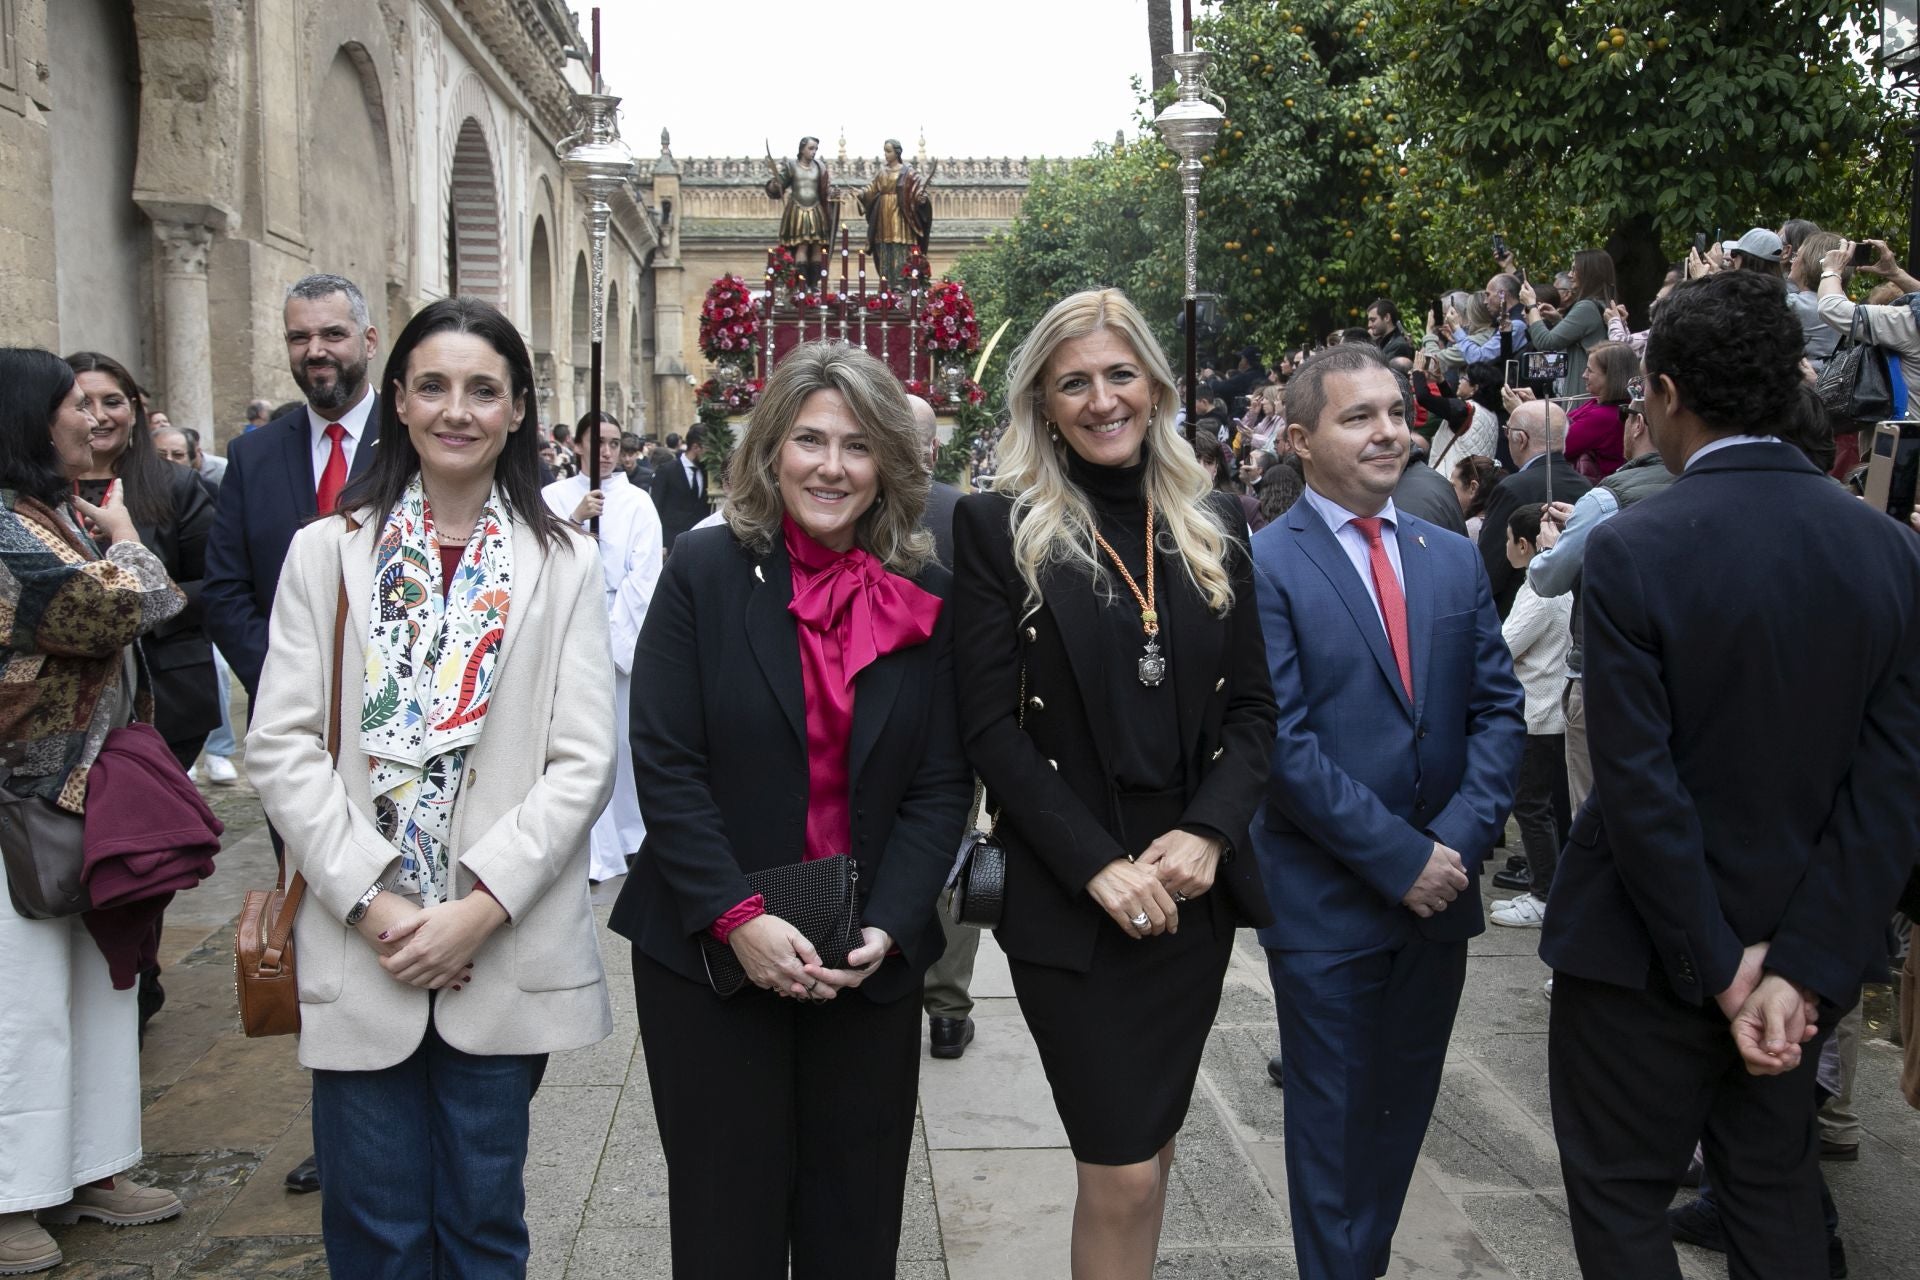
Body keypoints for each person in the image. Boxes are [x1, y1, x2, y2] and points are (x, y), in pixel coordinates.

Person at [1540, 270, 1920, 1278]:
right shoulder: (1888, 554)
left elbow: (1638, 782)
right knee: (1776, 1194)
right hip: (1804, 952)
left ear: (1665, 394)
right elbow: (1891, 786)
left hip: (1640, 956)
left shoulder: (1634, 551)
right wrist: (1800, 966)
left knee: (1621, 1196)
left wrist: (1718, 966)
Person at [244, 297, 615, 1277]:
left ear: (517, 409)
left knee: (484, 1223)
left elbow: (582, 758)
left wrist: (474, 909)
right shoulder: (328, 554)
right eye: (435, 385)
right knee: (377, 1232)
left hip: (498, 939)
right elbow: (281, 743)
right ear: (399, 400)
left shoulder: (563, 562)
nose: (458, 408)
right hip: (361, 935)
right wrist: (379, 904)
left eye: (483, 389)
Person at [609, 340, 969, 1275]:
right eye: (809, 439)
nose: (832, 466)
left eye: (856, 446)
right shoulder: (704, 572)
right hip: (714, 960)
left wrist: (891, 925)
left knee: (855, 1231)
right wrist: (739, 920)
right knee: (727, 1230)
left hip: (864, 965)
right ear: (771, 449)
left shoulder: (926, 588)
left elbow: (940, 783)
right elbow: (667, 761)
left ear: (888, 461)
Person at [952, 289, 1278, 1280]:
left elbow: (1254, 714)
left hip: (1189, 890)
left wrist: (1211, 834)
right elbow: (988, 730)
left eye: (1119, 374)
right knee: (1124, 1169)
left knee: (1155, 1147)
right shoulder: (995, 525)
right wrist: (1097, 864)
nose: (1102, 399)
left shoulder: (1216, 518)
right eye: (1074, 382)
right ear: (1043, 403)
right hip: (1071, 895)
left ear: (1156, 384)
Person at [1249, 342, 1523, 1280]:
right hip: (1326, 905)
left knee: (1401, 1117)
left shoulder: (1448, 558)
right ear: (1297, 440)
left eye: (1396, 413)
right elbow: (1281, 744)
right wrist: (1399, 857)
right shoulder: (1266, 567)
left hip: (1438, 903)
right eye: (1357, 416)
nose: (1388, 431)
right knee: (1330, 1133)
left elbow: (1498, 710)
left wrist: (1451, 845)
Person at [0, 349, 188, 1276]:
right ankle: (10, 1197)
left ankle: (88, 1167)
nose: (94, 417)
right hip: (25, 802)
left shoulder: (57, 513)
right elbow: (129, 604)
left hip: (85, 793)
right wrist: (127, 542)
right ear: (32, 423)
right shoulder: (7, 528)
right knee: (22, 1004)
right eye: (73, 405)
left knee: (99, 984)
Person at [202, 271, 383, 1196]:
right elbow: (226, 585)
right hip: (296, 745)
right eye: (299, 337)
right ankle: (340, 1122)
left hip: (398, 739)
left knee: (395, 908)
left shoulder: (415, 432)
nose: (316, 352)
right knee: (316, 919)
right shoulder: (258, 454)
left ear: (369, 337)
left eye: (332, 335)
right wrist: (289, 688)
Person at [65, 352, 220, 774]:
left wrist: (135, 608)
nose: (99, 416)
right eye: (83, 403)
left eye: (113, 402)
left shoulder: (178, 485)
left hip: (166, 689)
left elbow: (216, 584)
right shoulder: (37, 490)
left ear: (135, 410)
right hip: (64, 701)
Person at [1526, 395, 1673, 817]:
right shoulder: (1701, 484)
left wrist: (1551, 546)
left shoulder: (1607, 499)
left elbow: (1547, 578)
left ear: (1639, 424)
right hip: (1677, 673)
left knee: (1592, 816)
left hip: (1604, 675)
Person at [541, 411, 662, 883]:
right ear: (578, 445)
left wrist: (612, 638)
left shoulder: (638, 503)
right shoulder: (554, 497)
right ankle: (587, 845)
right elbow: (540, 557)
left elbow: (644, 575)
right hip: (568, 622)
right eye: (599, 442)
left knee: (619, 742)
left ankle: (629, 834)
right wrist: (574, 522)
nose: (607, 452)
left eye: (614, 443)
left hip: (615, 633)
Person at [1490, 505, 1571, 929]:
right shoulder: (1559, 580)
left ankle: (1544, 894)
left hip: (1538, 712)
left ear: (1525, 545)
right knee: (1542, 806)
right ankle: (1545, 887)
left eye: (1508, 540)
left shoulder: (1542, 588)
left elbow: (1504, 644)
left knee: (1532, 807)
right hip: (1549, 709)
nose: (1505, 548)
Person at [1479, 397, 1590, 617]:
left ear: (1520, 439)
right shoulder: (1585, 486)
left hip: (1519, 614)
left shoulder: (1513, 489)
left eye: (1507, 431)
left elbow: (1488, 568)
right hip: (1572, 615)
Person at [1519, 249, 1617, 392]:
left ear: (1588, 273)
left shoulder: (1587, 307)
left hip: (1582, 396)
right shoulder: (1601, 303)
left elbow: (1546, 343)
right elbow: (1581, 341)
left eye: (1574, 269)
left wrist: (1531, 306)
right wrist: (1559, 321)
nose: (1570, 275)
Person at [858, 138, 931, 284]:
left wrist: (921, 199)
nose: (886, 154)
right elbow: (872, 189)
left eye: (888, 151)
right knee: (884, 247)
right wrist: (862, 193)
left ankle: (901, 282)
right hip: (884, 216)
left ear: (897, 153)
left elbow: (916, 193)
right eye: (885, 151)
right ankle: (886, 282)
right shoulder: (882, 172)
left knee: (900, 247)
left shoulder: (909, 173)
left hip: (901, 215)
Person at [765, 134, 835, 278]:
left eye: (816, 149)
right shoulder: (792, 165)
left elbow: (825, 188)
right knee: (801, 246)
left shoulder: (819, 167)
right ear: (802, 149)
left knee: (817, 247)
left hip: (816, 210)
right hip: (798, 209)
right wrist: (774, 185)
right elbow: (779, 186)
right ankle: (801, 282)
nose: (814, 152)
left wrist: (833, 192)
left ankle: (815, 284)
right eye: (810, 148)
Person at [1564, 340, 1633, 480]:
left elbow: (1553, 446)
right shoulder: (1599, 401)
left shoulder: (1604, 416)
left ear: (1611, 376)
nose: (1584, 375)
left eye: (1589, 370)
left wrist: (1526, 412)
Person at [650, 423, 709, 552]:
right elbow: (655, 507)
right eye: (707, 449)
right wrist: (658, 543)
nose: (709, 454)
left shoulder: (706, 472)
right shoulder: (666, 470)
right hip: (672, 543)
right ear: (696, 447)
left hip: (699, 542)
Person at [1451, 454, 1500, 541]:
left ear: (1473, 488)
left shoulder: (1470, 529)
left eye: (1453, 486)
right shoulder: (1496, 521)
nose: (1448, 491)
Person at [1367, 297, 1414, 362]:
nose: (1369, 325)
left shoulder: (1398, 346)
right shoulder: (1385, 343)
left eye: (1373, 320)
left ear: (1387, 317)